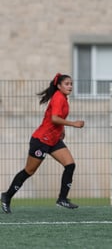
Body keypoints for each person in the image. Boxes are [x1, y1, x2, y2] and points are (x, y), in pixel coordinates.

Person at [1, 73, 85, 214]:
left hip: (53, 140)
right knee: (29, 171)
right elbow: (54, 119)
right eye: (67, 84)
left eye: (71, 84)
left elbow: (58, 117)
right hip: (41, 140)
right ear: (59, 86)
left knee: (70, 165)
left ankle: (62, 199)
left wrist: (62, 129)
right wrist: (73, 124)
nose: (70, 86)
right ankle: (7, 196)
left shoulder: (63, 98)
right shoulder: (59, 97)